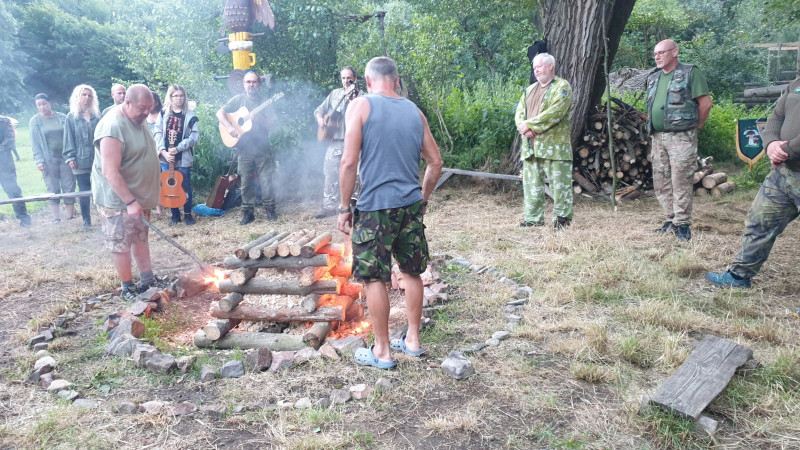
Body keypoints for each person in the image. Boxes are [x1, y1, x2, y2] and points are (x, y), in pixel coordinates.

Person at [337, 56, 443, 369]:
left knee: (374, 277)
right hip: (410, 205)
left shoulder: (360, 106)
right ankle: (413, 340)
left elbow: (348, 162)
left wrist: (343, 208)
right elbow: (436, 163)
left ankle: (382, 351)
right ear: (396, 81)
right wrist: (423, 199)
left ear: (368, 81)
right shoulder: (414, 111)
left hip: (374, 208)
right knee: (412, 271)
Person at [705, 76, 800, 288]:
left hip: (787, 159)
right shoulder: (796, 84)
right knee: (759, 220)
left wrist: (785, 150)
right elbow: (776, 117)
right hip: (783, 172)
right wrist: (771, 143)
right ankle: (739, 276)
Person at [92, 84, 161, 301]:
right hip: (119, 200)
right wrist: (130, 202)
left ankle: (147, 279)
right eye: (142, 108)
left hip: (138, 197)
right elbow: (109, 171)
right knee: (121, 243)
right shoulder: (112, 127)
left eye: (149, 108)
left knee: (140, 237)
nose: (147, 113)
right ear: (127, 102)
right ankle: (127, 287)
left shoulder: (138, 118)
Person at [646, 39, 712, 241]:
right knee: (661, 180)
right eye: (655, 54)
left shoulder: (690, 73)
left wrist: (697, 126)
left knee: (681, 180)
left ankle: (682, 223)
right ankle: (670, 219)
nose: (657, 57)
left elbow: (705, 103)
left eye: (661, 52)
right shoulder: (654, 77)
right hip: (658, 137)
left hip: (681, 137)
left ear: (674, 52)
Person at [514, 53, 574, 230]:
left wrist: (530, 125)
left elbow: (556, 112)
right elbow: (519, 113)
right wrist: (524, 128)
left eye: (539, 66)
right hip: (531, 147)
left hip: (554, 147)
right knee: (531, 185)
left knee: (560, 185)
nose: (536, 70)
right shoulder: (529, 89)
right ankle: (533, 219)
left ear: (550, 66)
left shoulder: (562, 86)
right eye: (534, 67)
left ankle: (562, 219)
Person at [216, 70, 279, 225]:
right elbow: (219, 113)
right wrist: (229, 126)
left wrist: (260, 120)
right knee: (245, 183)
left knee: (266, 181)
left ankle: (270, 209)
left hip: (262, 148)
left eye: (254, 82)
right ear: (244, 84)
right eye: (248, 82)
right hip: (244, 149)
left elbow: (273, 126)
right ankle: (248, 213)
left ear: (259, 85)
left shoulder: (266, 102)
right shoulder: (238, 100)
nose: (251, 85)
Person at [313, 66, 363, 218]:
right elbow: (318, 110)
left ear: (355, 79)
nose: (345, 81)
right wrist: (321, 120)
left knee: (356, 174)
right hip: (335, 140)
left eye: (349, 78)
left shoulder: (361, 96)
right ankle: (329, 207)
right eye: (343, 78)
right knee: (330, 172)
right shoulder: (335, 93)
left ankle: (354, 205)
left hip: (354, 142)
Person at [154, 85, 199, 226]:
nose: (179, 98)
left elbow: (194, 137)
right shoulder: (163, 114)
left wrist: (178, 148)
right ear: (170, 97)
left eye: (181, 95)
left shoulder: (190, 116)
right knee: (169, 185)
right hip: (166, 158)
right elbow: (157, 133)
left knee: (184, 185)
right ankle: (175, 215)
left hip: (183, 157)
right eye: (176, 96)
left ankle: (187, 214)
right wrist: (164, 151)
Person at [29, 93, 76, 223]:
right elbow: (35, 143)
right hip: (48, 160)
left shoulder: (62, 117)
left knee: (69, 186)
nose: (42, 107)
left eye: (44, 104)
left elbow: (71, 137)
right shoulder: (35, 121)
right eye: (39, 105)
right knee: (52, 188)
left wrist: (71, 156)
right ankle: (56, 217)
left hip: (66, 158)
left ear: (50, 103)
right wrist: (39, 160)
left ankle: (70, 217)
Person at [63, 84, 101, 229]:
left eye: (89, 95)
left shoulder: (97, 115)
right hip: (80, 158)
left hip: (98, 157)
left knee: (101, 187)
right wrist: (70, 157)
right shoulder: (71, 117)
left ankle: (104, 214)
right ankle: (86, 219)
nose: (87, 98)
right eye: (83, 95)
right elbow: (68, 138)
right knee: (84, 189)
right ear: (77, 97)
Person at [0, 115, 32, 228]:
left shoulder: (3, 121)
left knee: (13, 190)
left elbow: (10, 140)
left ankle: (24, 218)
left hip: (4, 163)